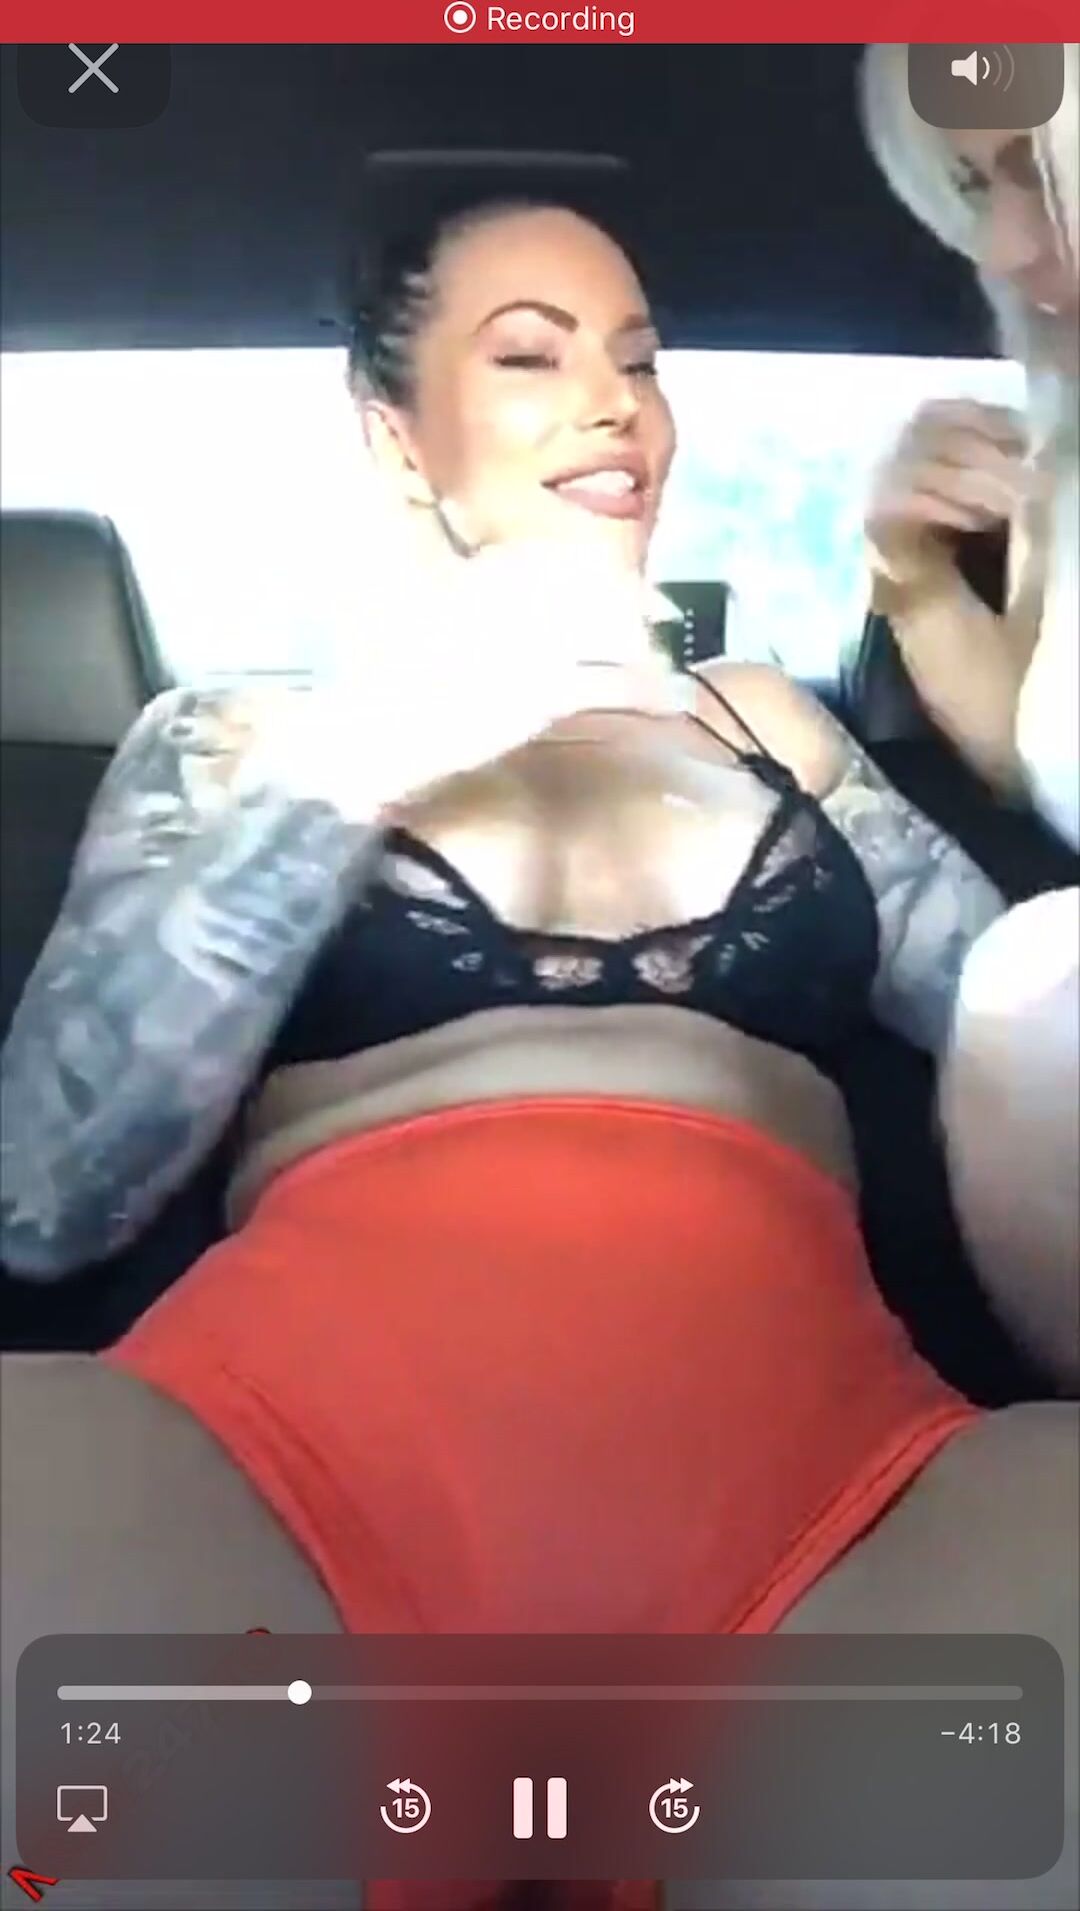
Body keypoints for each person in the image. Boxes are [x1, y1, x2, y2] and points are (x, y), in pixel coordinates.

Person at [0, 194, 1075, 1911]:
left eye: (642, 363)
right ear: (393, 435)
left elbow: (1027, 1022)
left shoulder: (765, 719)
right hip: (257, 1476)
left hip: (843, 1509)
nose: (614, 407)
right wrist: (377, 751)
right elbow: (47, 1193)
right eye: (529, 356)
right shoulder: (240, 736)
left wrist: (973, 658)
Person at [860, 42, 1080, 1393]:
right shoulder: (1063, 456)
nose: (998, 246)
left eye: (1036, 173)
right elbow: (1035, 751)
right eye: (967, 189)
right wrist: (909, 569)